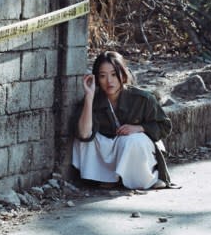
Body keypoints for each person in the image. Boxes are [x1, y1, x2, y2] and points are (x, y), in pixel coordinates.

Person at [72, 51, 172, 190]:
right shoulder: (94, 99)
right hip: (109, 149)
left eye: (114, 74)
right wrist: (89, 96)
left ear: (123, 74)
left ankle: (145, 179)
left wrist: (139, 128)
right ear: (96, 78)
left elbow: (165, 126)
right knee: (86, 136)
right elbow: (84, 134)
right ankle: (109, 178)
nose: (109, 81)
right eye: (102, 76)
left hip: (135, 149)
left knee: (132, 141)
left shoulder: (143, 99)